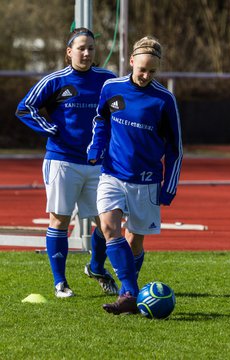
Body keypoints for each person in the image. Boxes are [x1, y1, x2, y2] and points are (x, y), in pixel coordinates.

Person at [16, 27, 119, 298]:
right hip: (62, 160)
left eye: (91, 49)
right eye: (81, 48)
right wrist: (50, 129)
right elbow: (25, 108)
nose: (86, 53)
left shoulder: (108, 80)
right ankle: (60, 283)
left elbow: (121, 112)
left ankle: (96, 267)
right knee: (59, 219)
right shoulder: (55, 80)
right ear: (69, 52)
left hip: (99, 163)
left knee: (108, 222)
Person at [87, 35, 183, 314]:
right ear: (131, 61)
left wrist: (170, 184)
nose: (145, 75)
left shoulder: (164, 100)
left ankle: (130, 291)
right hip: (113, 173)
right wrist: (96, 145)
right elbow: (101, 120)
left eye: (152, 71)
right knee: (108, 228)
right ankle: (129, 291)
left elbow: (175, 147)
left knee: (135, 240)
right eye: (142, 69)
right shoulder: (112, 88)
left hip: (147, 181)